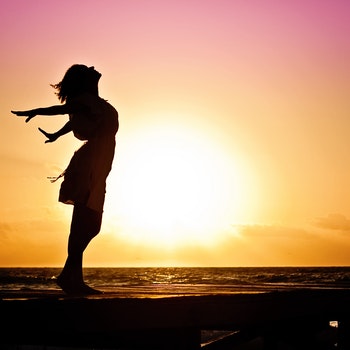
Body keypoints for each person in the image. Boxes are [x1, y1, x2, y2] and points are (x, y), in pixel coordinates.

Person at [12, 64, 119, 295]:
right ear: (84, 79)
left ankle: (69, 276)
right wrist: (37, 111)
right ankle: (71, 278)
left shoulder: (93, 104)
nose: (93, 67)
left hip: (96, 166)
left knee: (88, 223)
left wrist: (56, 135)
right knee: (86, 222)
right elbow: (62, 111)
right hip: (89, 166)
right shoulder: (85, 100)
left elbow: (73, 120)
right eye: (87, 68)